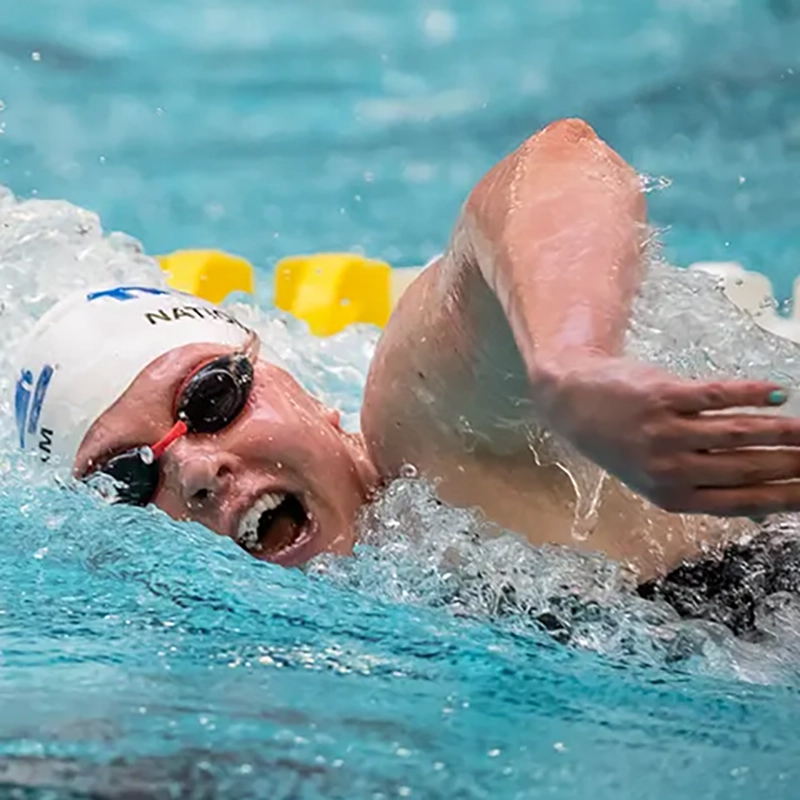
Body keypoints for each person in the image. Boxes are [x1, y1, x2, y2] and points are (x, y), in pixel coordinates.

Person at [15, 119, 800, 600]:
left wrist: (571, 360)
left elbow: (558, 161)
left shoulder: (422, 434)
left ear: (298, 389)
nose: (191, 472)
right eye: (127, 478)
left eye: (212, 398)